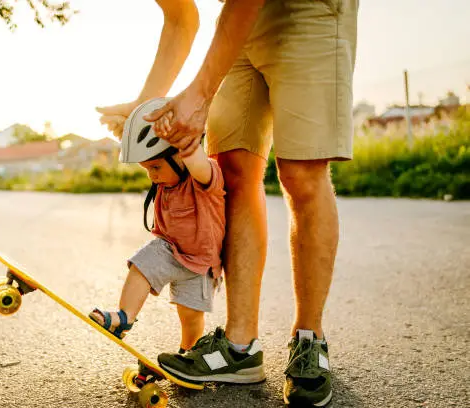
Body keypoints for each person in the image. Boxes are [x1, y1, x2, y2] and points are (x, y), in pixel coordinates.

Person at [97, 1, 358, 405]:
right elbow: (181, 18)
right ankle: (240, 349)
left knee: (301, 174)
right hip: (234, 27)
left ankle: (309, 339)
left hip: (308, 11)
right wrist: (143, 111)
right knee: (232, 172)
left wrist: (199, 94)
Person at [89, 99, 255, 370]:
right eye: (147, 170)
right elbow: (145, 144)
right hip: (169, 251)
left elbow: (196, 159)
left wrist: (184, 138)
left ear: (179, 155)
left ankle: (187, 354)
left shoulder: (204, 177)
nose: (152, 176)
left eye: (155, 167)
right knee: (141, 265)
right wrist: (126, 128)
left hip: (201, 265)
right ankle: (124, 317)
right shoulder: (166, 180)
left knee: (190, 318)